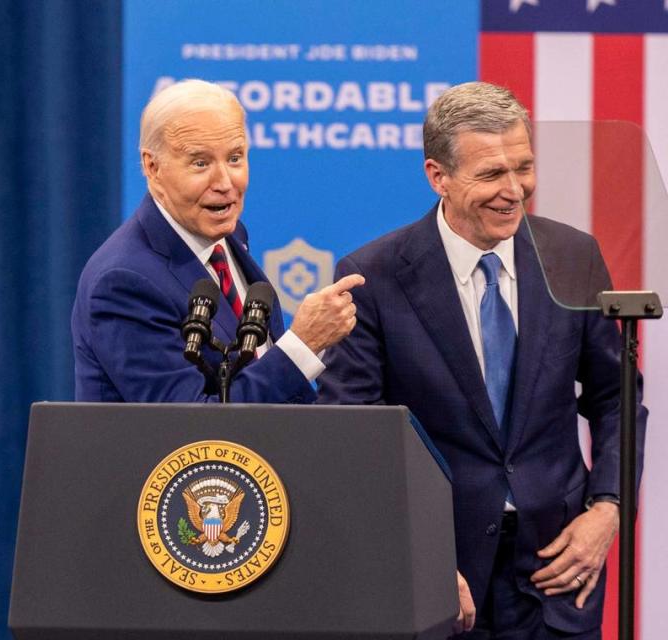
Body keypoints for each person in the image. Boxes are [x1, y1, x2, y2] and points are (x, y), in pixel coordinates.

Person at [317, 82, 646, 638]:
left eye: (524, 168)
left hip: (559, 573)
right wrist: (414, 563)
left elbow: (615, 396)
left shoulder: (574, 256)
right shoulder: (375, 277)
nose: (515, 191)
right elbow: (357, 440)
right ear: (437, 176)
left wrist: (608, 508)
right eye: (492, 174)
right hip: (441, 580)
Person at [72, 79, 363, 403]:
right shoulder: (123, 281)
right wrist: (300, 346)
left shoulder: (228, 237)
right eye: (201, 163)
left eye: (235, 158)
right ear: (152, 167)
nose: (225, 182)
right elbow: (190, 428)